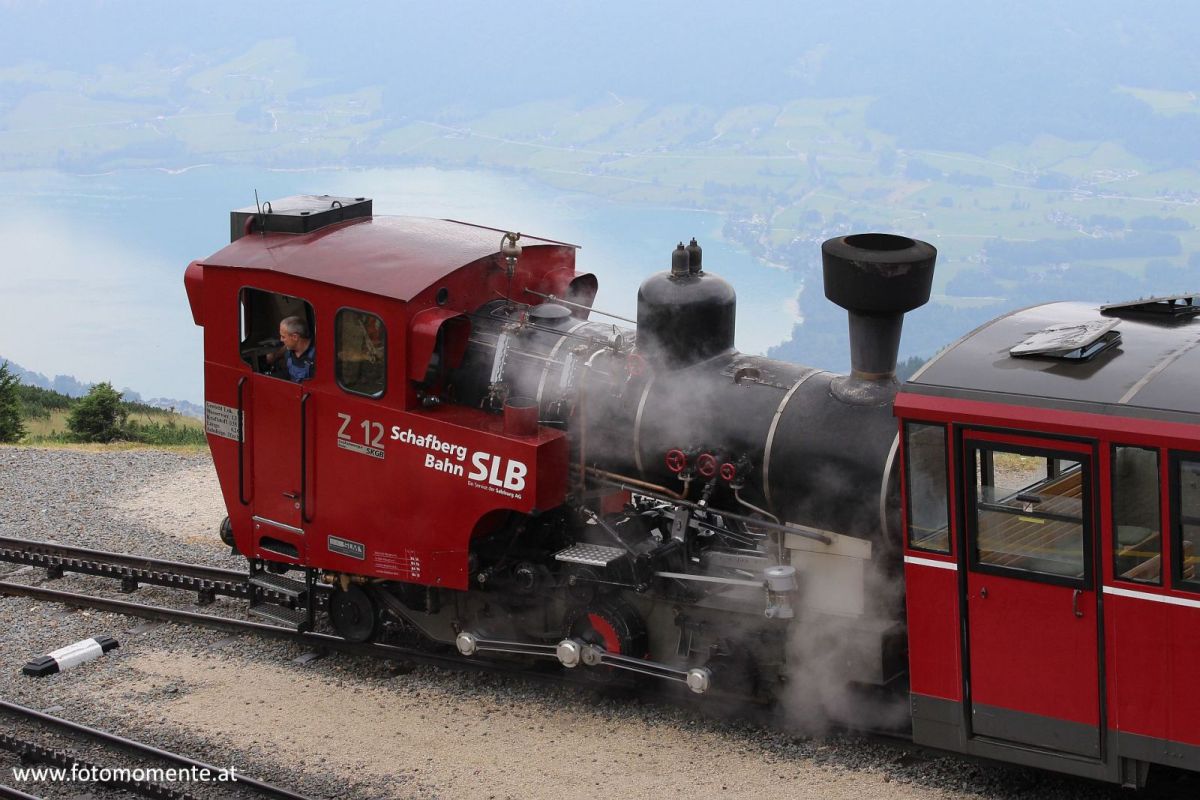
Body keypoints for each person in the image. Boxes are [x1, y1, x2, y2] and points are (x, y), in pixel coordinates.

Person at [267, 316, 315, 382]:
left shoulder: (317, 356)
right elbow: (288, 374)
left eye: (283, 337)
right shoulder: (288, 352)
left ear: (295, 337)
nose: (281, 339)